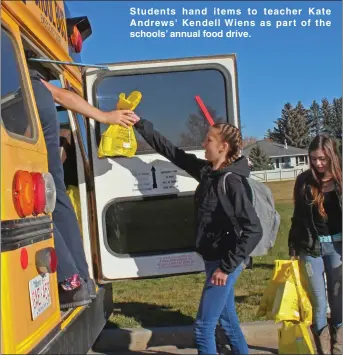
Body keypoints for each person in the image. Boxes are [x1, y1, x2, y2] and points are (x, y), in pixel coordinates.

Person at [132, 117, 263, 355]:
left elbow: (253, 229)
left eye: (209, 139)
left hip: (225, 264)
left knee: (203, 327)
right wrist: (141, 125)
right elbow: (172, 152)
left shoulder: (232, 182)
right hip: (213, 259)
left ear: (223, 147)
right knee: (228, 320)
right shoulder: (207, 172)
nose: (204, 143)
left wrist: (226, 267)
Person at [29, 64, 137, 309]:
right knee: (57, 203)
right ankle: (83, 281)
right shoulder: (28, 76)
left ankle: (70, 281)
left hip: (26, 148)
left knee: (33, 207)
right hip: (45, 152)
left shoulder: (11, 77)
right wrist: (105, 116)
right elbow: (62, 95)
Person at [289, 135, 342, 355]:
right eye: (313, 159)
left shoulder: (340, 181)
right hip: (311, 249)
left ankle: (338, 348)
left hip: (338, 249)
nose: (318, 164)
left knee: (338, 301)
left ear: (331, 156)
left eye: (322, 158)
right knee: (319, 304)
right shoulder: (304, 181)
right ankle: (322, 350)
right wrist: (293, 247)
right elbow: (297, 217)